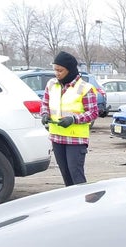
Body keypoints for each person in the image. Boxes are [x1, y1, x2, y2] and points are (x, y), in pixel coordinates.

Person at [40, 51, 98, 186]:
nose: (57, 73)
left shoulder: (85, 88)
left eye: (60, 70)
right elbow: (45, 103)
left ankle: (83, 203)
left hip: (76, 139)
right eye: (55, 70)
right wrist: (44, 114)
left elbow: (93, 112)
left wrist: (73, 119)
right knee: (66, 175)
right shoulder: (51, 84)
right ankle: (71, 203)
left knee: (75, 174)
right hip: (57, 137)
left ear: (70, 70)